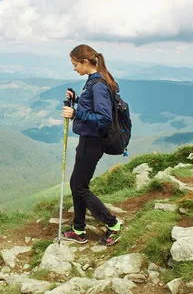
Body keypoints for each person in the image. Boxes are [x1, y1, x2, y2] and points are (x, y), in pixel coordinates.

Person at [60, 44, 122, 246]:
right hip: (89, 140)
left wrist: (76, 113)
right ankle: (79, 229)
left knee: (79, 188)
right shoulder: (95, 80)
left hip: (93, 142)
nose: (74, 68)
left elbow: (103, 118)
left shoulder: (98, 85)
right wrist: (77, 100)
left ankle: (112, 224)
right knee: (76, 185)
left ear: (86, 62)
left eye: (75, 64)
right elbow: (94, 108)